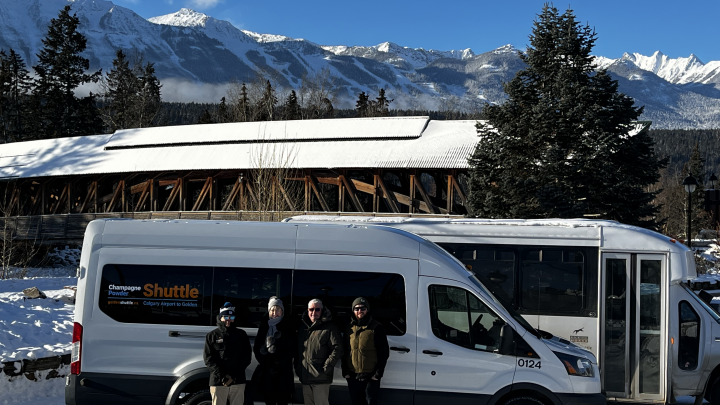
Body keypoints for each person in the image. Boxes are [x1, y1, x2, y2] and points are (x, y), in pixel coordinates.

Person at [341, 297, 390, 405]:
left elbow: (384, 352)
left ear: (367, 309)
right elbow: (344, 351)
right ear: (353, 310)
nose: (359, 311)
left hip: (370, 376)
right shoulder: (349, 328)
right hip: (353, 375)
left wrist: (377, 374)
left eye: (363, 308)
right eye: (356, 308)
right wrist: (345, 371)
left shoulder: (376, 327)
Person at [296, 298, 343, 405]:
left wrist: (326, 367)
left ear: (322, 310)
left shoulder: (330, 327)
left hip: (320, 378)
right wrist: (298, 367)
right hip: (305, 377)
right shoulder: (302, 328)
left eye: (317, 309)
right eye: (311, 309)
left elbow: (338, 349)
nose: (313, 313)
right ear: (307, 311)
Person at [204, 302, 252, 405]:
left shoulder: (241, 335)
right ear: (220, 317)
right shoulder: (212, 335)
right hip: (218, 381)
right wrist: (222, 376)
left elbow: (246, 357)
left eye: (231, 316)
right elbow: (208, 359)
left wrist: (233, 375)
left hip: (237, 380)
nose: (228, 319)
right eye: (226, 316)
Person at [252, 297, 295, 405]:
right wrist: (266, 363)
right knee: (269, 401)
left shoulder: (288, 325)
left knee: (282, 402)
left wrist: (278, 364)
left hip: (283, 373)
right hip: (267, 373)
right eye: (272, 310)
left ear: (282, 311)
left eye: (278, 310)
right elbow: (257, 347)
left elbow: (291, 348)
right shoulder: (264, 325)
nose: (275, 313)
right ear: (269, 311)